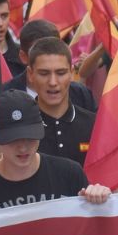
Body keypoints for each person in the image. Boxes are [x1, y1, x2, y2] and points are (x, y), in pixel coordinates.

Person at [0, 90, 110, 224]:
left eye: (30, 137)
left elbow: (94, 232)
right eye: (12, 139)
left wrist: (99, 202)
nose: (22, 147)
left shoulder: (70, 174)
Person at [25, 37, 94, 167]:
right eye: (44, 73)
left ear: (71, 73)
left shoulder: (94, 125)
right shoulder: (18, 127)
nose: (53, 82)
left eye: (61, 73)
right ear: (30, 74)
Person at [2, 20, 98, 112]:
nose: (52, 82)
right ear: (23, 57)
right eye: (38, 52)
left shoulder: (81, 95)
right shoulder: (6, 97)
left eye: (54, 50)